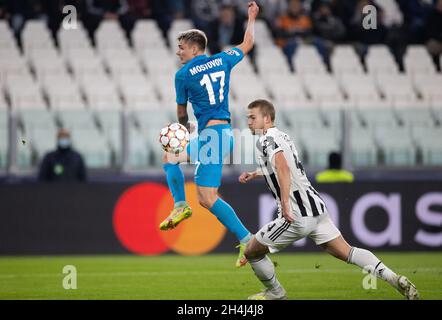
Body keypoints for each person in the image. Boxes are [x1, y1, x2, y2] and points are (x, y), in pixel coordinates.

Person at [239, 99, 419, 300]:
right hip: (316, 209)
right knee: (348, 252)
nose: (248, 122)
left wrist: (286, 205)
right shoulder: (283, 136)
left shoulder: (265, 139)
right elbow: (284, 166)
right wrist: (256, 173)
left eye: (252, 117)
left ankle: (276, 293)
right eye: (248, 117)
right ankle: (393, 278)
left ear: (266, 118)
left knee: (252, 251)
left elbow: (282, 167)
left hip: (297, 213)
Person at [158, 1, 260, 268]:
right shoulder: (222, 59)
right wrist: (251, 17)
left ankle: (247, 241)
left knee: (207, 196)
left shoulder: (183, 75)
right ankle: (182, 205)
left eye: (181, 47)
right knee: (173, 161)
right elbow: (248, 43)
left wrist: (184, 128)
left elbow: (181, 112)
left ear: (193, 48)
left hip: (211, 136)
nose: (178, 52)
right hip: (219, 134)